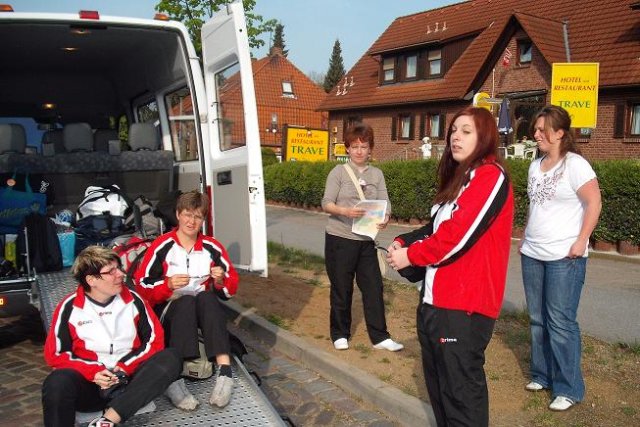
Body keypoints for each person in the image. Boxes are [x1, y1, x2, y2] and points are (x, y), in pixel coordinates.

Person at [387, 107, 514, 426]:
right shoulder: (460, 181)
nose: (456, 136)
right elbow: (435, 229)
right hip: (434, 303)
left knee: (461, 399)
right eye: (454, 130)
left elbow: (457, 236)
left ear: (484, 136)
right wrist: (404, 241)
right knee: (442, 394)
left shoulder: (490, 176)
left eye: (466, 131)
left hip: (464, 307)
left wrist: (412, 257)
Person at [42, 246, 182, 427]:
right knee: (56, 381)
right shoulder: (69, 307)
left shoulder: (134, 300)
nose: (121, 274)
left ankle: (107, 421)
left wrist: (124, 368)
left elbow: (154, 341)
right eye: (111, 271)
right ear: (91, 280)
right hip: (91, 385)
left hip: (129, 383)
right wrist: (93, 372)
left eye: (119, 268)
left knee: (171, 357)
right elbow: (56, 354)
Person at [520, 105, 601, 411]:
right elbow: (536, 207)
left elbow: (594, 203)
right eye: (536, 129)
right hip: (533, 253)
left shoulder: (575, 165)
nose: (536, 134)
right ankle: (542, 375)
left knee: (561, 322)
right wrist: (526, 235)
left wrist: (582, 241)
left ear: (560, 133)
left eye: (542, 130)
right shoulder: (535, 164)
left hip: (564, 256)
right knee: (538, 319)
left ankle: (568, 387)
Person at [135, 190, 239, 410]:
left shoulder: (212, 246)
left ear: (203, 220)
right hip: (169, 308)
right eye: (187, 215)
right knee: (185, 301)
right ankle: (174, 380)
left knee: (208, 298)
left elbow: (230, 289)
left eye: (198, 216)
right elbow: (141, 285)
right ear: (178, 215)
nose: (192, 221)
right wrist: (168, 285)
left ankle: (225, 373)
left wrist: (220, 281)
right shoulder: (162, 246)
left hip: (201, 309)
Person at [321, 122, 403, 352]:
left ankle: (380, 336)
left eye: (363, 146)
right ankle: (340, 333)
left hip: (366, 240)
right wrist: (344, 211)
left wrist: (386, 217)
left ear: (370, 149)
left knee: (374, 287)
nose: (359, 151)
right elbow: (326, 202)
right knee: (342, 287)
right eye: (354, 146)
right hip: (340, 238)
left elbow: (385, 201)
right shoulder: (338, 172)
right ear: (347, 148)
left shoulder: (377, 174)